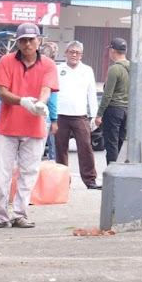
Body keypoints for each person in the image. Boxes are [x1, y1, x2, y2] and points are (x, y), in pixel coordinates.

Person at [0, 22, 59, 229]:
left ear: (38, 41)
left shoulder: (48, 64)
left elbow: (46, 89)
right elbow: (2, 92)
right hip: (8, 128)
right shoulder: (7, 61)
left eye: (31, 40)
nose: (27, 44)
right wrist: (23, 101)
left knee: (28, 174)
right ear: (17, 42)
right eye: (22, 40)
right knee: (2, 175)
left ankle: (19, 214)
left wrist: (40, 103)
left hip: (34, 128)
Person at [54, 40, 101, 190]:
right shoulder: (58, 69)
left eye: (77, 52)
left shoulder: (87, 70)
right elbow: (53, 91)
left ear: (81, 55)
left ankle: (90, 180)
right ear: (65, 53)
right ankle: (61, 181)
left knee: (85, 146)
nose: (74, 55)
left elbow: (92, 94)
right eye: (71, 51)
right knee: (61, 148)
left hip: (79, 115)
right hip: (60, 115)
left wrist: (95, 115)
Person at [95, 38, 130, 165]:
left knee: (111, 145)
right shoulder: (132, 67)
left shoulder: (114, 69)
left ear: (112, 50)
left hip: (114, 110)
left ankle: (112, 174)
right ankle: (120, 173)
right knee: (120, 144)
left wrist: (99, 114)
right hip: (127, 110)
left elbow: (107, 94)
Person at [39, 42, 59, 161]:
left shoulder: (34, 66)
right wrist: (54, 120)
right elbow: (52, 99)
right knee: (51, 151)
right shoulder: (51, 69)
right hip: (46, 117)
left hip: (31, 113)